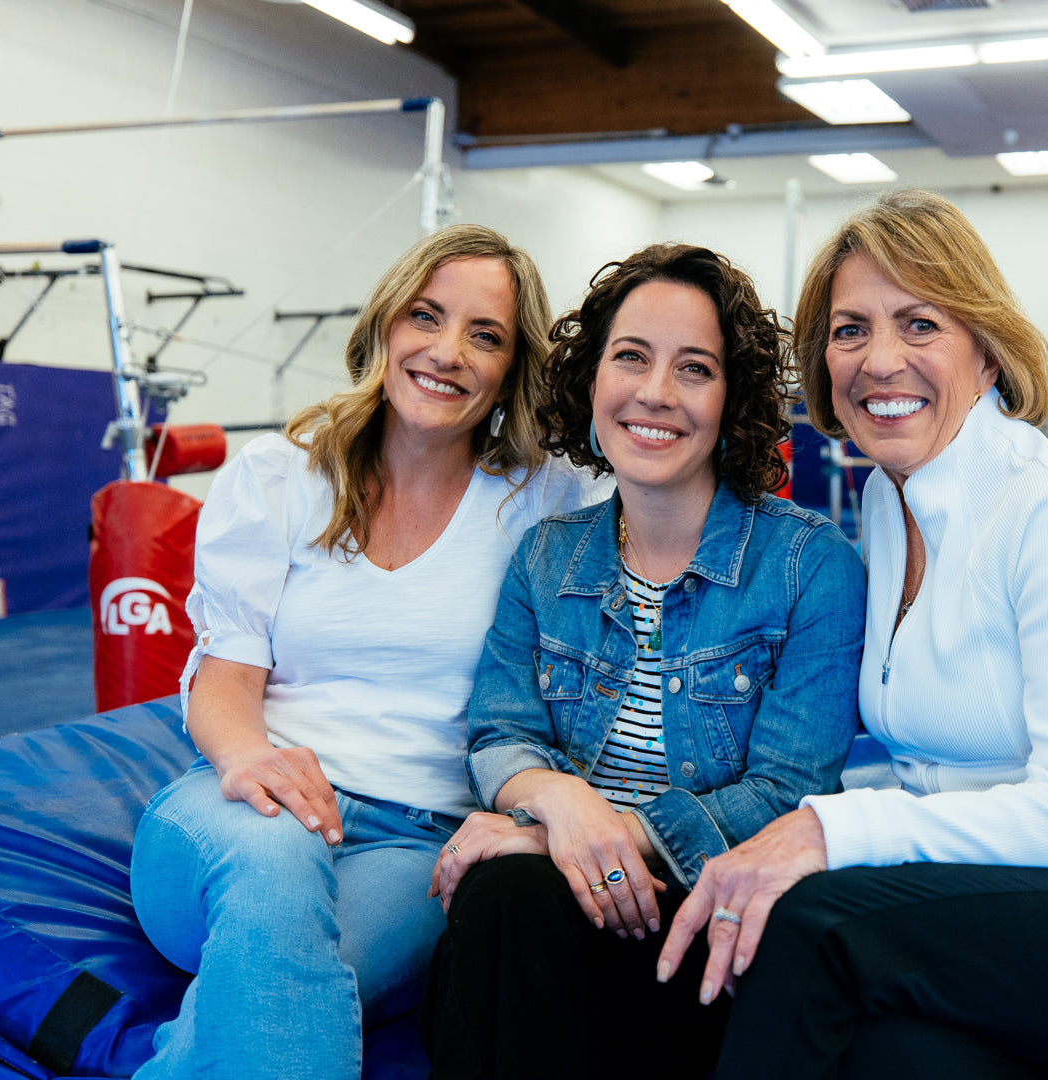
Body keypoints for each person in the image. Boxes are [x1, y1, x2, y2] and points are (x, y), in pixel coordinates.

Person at [658, 189, 1048, 1080]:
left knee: (816, 923)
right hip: (1022, 891)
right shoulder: (886, 505)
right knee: (893, 1055)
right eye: (849, 330)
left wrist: (824, 832)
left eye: (918, 323)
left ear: (986, 352)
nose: (879, 360)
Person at [128, 224, 611, 1080]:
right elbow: (226, 675)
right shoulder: (279, 475)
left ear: (511, 370)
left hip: (417, 844)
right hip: (246, 812)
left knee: (290, 981)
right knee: (276, 878)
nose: (446, 351)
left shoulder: (545, 500)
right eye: (426, 316)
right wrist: (248, 761)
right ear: (386, 325)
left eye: (485, 336)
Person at [418, 243, 866, 1080]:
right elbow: (500, 734)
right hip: (561, 900)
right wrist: (556, 803)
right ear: (592, 380)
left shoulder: (810, 567)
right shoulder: (547, 559)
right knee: (497, 897)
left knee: (511, 886)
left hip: (713, 902)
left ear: (730, 401)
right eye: (630, 357)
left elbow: (784, 794)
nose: (654, 393)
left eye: (694, 368)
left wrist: (604, 835)